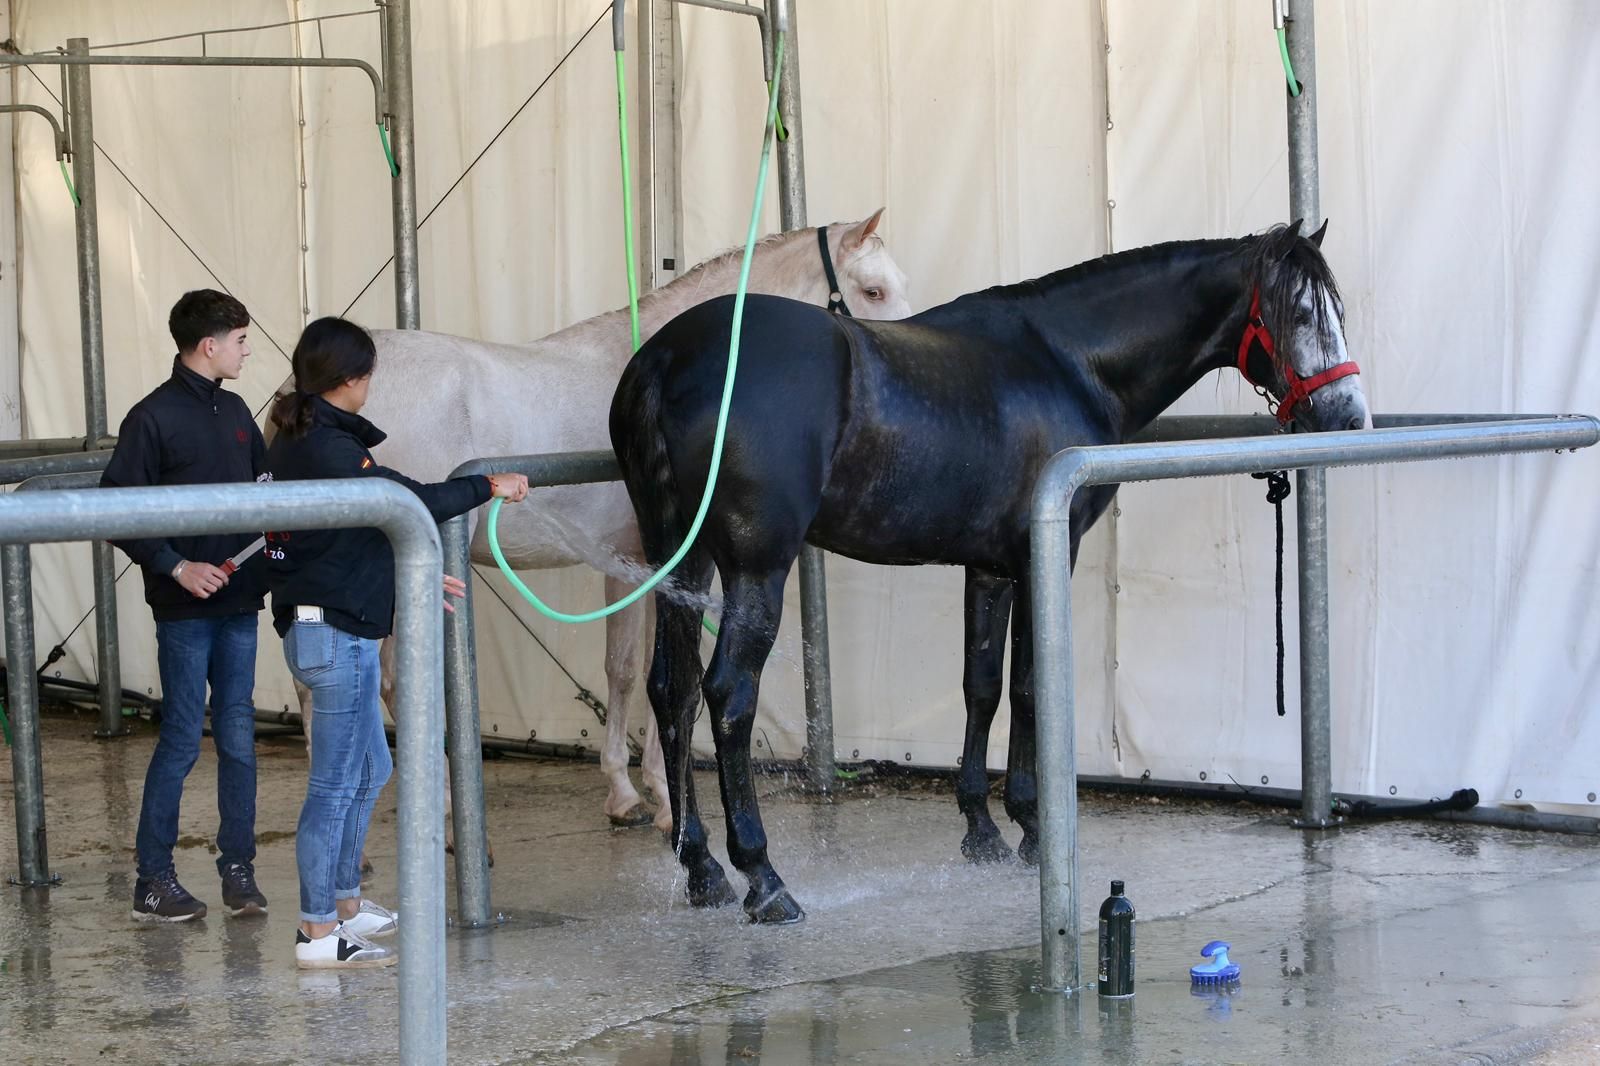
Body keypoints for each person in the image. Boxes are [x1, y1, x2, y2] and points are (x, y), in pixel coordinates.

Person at [265, 316, 528, 968]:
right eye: (368, 374)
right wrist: (488, 486)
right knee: (333, 785)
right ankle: (318, 930)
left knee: (370, 769)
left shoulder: (307, 439)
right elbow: (404, 498)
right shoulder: (324, 448)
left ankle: (347, 905)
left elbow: (340, 536)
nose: (370, 386)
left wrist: (406, 572)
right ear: (349, 379)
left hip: (334, 625)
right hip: (333, 635)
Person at [102, 289, 270, 922]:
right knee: (180, 739)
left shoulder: (236, 412)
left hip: (240, 603)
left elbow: (267, 494)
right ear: (211, 344)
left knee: (238, 738)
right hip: (183, 609)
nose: (246, 350)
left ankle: (238, 868)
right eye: (241, 340)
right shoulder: (150, 418)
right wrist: (177, 565)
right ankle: (153, 878)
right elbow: (115, 512)